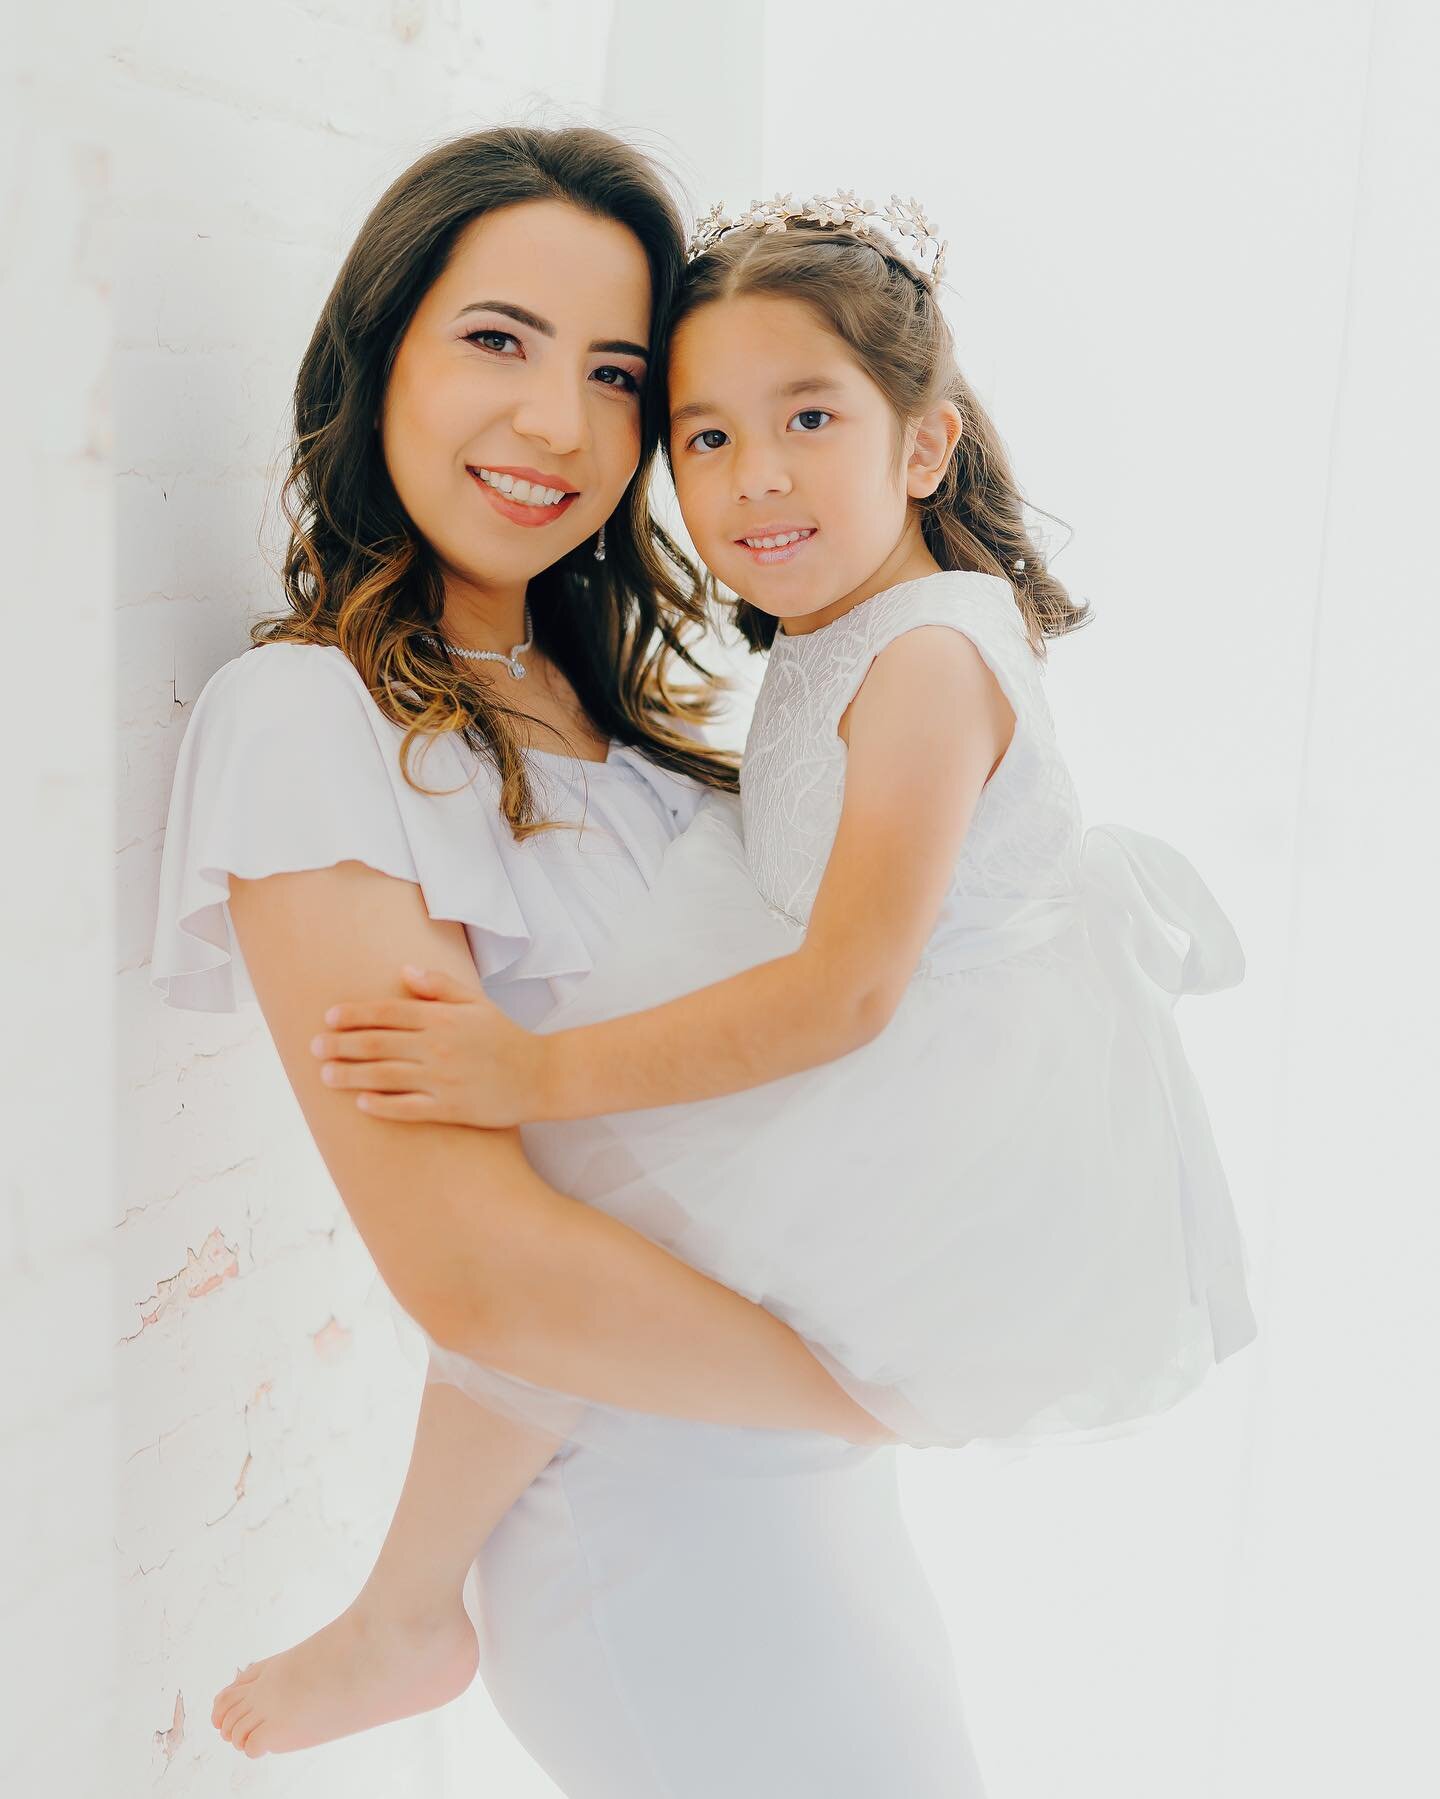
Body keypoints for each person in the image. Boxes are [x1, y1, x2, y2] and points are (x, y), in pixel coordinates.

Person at [287, 188, 1260, 1727]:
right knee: (561, 1232)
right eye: (706, 436)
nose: (755, 479)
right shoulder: (843, 642)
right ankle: (403, 1610)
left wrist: (531, 1064)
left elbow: (849, 989)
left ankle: (403, 1612)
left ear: (925, 445)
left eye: (806, 416)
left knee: (580, 1187)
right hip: (867, 1066)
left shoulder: (927, 657)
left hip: (908, 1088)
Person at [154, 132, 986, 1794]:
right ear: (378, 347)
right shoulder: (315, 723)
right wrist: (888, 1387)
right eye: (495, 340)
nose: (557, 424)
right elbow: (478, 1268)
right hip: (658, 1532)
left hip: (816, 1514)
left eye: (617, 374)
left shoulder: (653, 735)